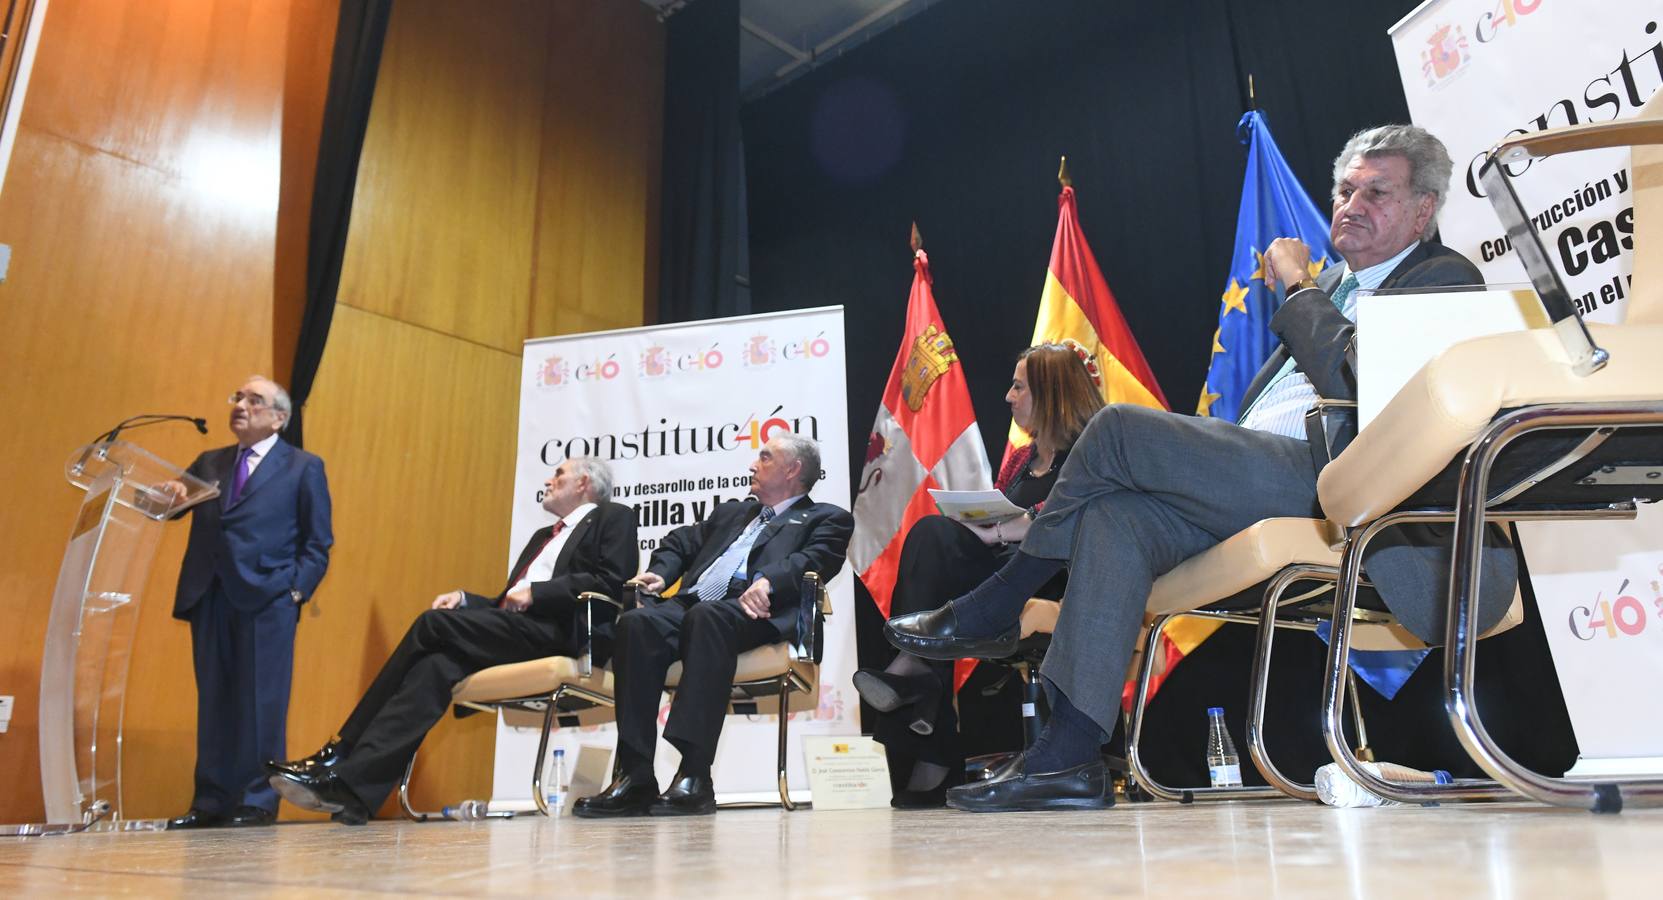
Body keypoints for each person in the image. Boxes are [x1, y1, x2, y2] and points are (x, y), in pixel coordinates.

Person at [887, 124, 1519, 812]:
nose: (1350, 204)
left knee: (1117, 427)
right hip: (1264, 483)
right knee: (1112, 515)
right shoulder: (1333, 287)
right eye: (1343, 189)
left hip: (1346, 487)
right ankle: (1067, 758)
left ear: (1423, 211)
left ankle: (1000, 602)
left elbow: (1357, 379)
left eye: (1377, 191)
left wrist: (1298, 285)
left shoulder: (1442, 278)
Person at [263, 457, 636, 824]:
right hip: (518, 630)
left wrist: (538, 592)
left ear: (583, 483)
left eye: (559, 473)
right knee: (434, 668)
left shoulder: (612, 517)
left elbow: (610, 581)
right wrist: (466, 600)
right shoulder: (544, 536)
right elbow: (505, 602)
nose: (549, 480)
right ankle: (353, 792)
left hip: (562, 634)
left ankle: (341, 747)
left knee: (432, 625)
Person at [854, 343, 1103, 807]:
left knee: (935, 556)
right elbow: (1004, 515)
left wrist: (1003, 528)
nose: (1008, 396)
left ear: (1051, 390)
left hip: (1056, 577)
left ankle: (925, 719)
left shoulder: (1091, 451)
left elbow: (1067, 516)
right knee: (932, 538)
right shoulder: (1021, 460)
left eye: (1019, 386)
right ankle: (919, 676)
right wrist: (984, 523)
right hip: (1003, 571)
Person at [574, 433, 853, 818]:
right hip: (694, 604)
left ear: (793, 469)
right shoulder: (732, 513)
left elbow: (816, 559)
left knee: (708, 617)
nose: (753, 465)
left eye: (765, 458)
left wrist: (769, 580)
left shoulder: (828, 517)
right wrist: (660, 572)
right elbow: (679, 542)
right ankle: (635, 775)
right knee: (637, 623)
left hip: (757, 612)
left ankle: (695, 773)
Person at [164, 376, 333, 829]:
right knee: (215, 700)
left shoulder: (303, 467)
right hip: (209, 594)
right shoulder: (210, 460)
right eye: (236, 396)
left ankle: (258, 799)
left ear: (279, 417)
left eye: (254, 400)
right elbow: (170, 506)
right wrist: (167, 495)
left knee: (262, 703)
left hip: (269, 599)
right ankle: (211, 800)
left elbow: (318, 543)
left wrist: (295, 591)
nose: (240, 404)